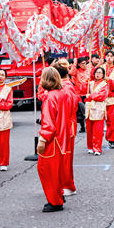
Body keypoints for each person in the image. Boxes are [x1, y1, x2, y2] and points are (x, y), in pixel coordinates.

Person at [36, 67, 70, 212]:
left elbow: (48, 123)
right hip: (62, 137)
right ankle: (58, 195)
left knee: (47, 171)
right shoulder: (62, 94)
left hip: (53, 140)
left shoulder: (50, 97)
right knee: (56, 171)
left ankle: (55, 201)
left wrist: (42, 140)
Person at [53, 59, 79, 197]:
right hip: (61, 125)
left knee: (65, 157)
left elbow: (68, 109)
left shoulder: (67, 88)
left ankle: (67, 185)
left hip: (66, 126)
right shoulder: (62, 86)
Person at [85, 66, 110, 156]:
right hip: (89, 108)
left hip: (99, 108)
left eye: (100, 73)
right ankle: (90, 147)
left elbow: (102, 96)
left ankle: (97, 148)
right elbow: (82, 90)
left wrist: (91, 96)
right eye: (96, 72)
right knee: (89, 130)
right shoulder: (90, 83)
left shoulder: (104, 84)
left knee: (98, 130)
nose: (98, 74)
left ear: (103, 75)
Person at [72, 57, 91, 133]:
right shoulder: (76, 71)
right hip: (79, 94)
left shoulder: (89, 70)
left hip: (87, 94)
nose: (84, 65)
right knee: (80, 111)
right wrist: (74, 63)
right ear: (79, 64)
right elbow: (71, 73)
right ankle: (82, 126)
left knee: (87, 110)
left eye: (85, 63)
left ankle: (88, 125)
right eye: (82, 63)